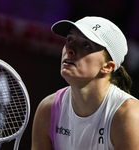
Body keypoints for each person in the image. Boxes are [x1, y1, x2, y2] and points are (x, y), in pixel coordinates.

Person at [31, 16, 139, 150]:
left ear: (107, 66)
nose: (69, 49)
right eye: (69, 40)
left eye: (86, 45)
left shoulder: (128, 115)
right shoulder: (48, 109)